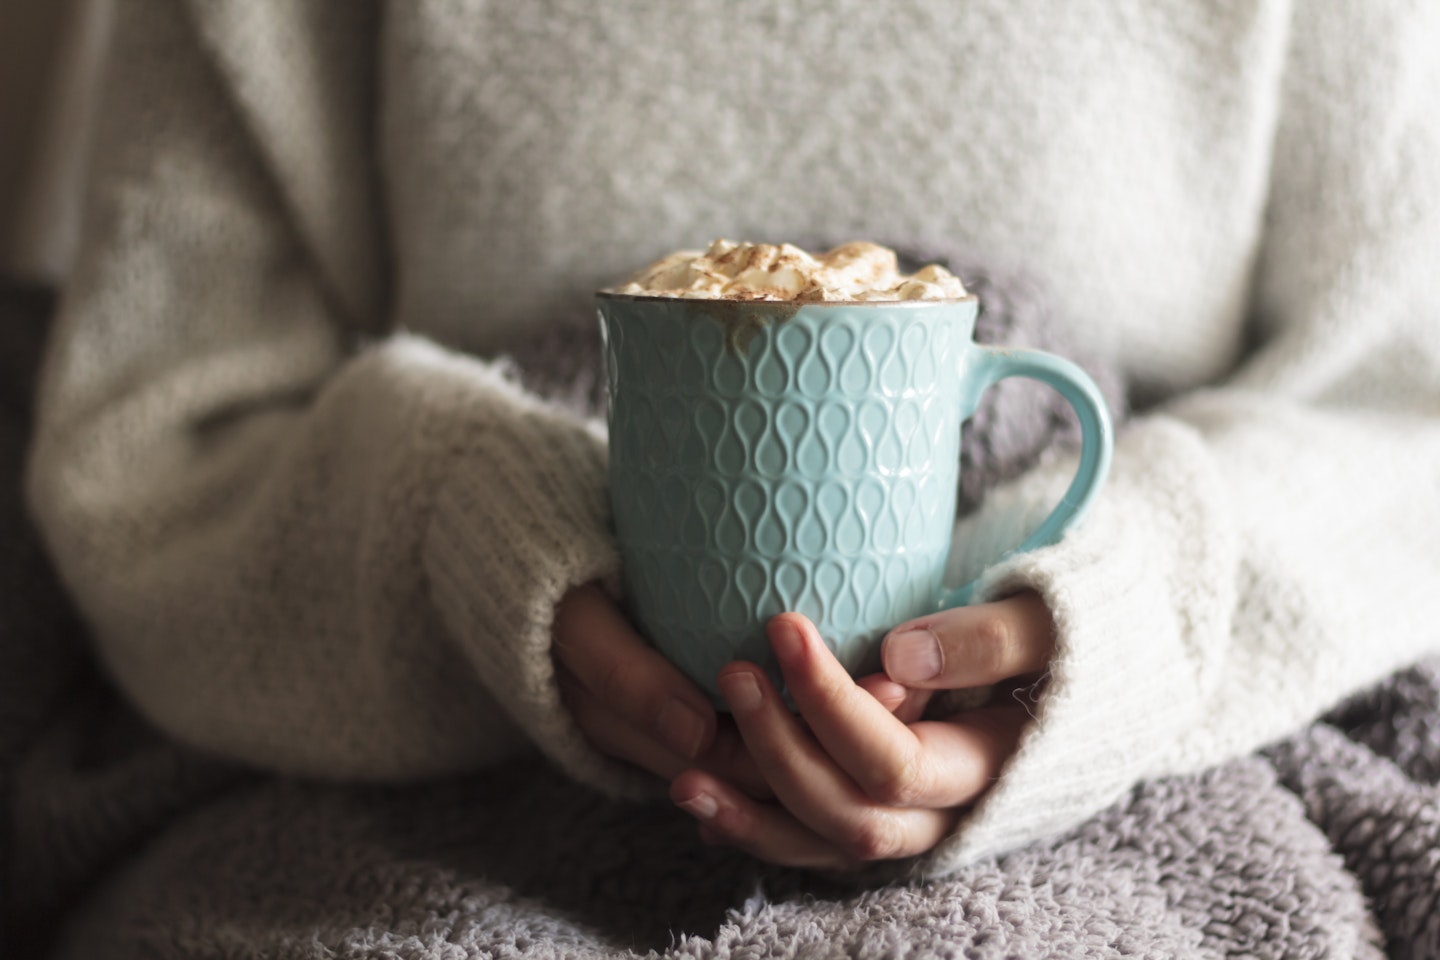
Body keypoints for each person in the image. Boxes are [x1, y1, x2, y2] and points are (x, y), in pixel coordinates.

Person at [23, 0, 1440, 887]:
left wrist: (1122, 621)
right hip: (427, 776)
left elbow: (1402, 407)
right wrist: (455, 517)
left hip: (1157, 760)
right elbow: (159, 448)